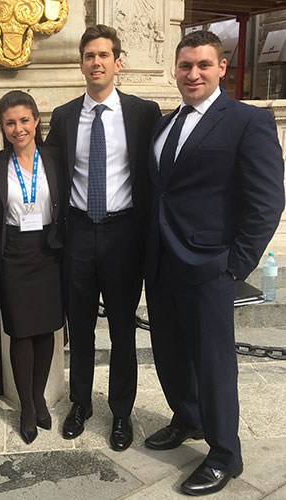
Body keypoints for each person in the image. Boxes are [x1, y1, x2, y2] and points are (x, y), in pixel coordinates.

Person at [144, 30, 284, 496]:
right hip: (163, 263)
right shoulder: (165, 124)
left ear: (221, 67)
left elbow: (267, 202)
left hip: (210, 268)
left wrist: (234, 266)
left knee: (214, 363)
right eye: (185, 66)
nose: (193, 74)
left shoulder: (247, 121)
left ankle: (226, 453)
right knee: (169, 354)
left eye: (203, 65)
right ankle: (188, 419)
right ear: (175, 70)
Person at [45, 24, 161, 450]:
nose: (96, 62)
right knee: (79, 326)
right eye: (89, 56)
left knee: (123, 330)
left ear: (117, 63)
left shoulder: (143, 112)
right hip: (78, 234)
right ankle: (80, 404)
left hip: (123, 235)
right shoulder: (64, 116)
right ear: (81, 64)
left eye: (104, 55)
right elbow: (52, 174)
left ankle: (121, 412)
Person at [0, 90, 64, 444]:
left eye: (24, 120)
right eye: (10, 122)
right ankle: (25, 406)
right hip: (14, 254)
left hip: (49, 252)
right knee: (21, 332)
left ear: (36, 121)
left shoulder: (53, 159)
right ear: (2, 127)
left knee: (46, 330)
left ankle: (39, 398)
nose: (18, 128)